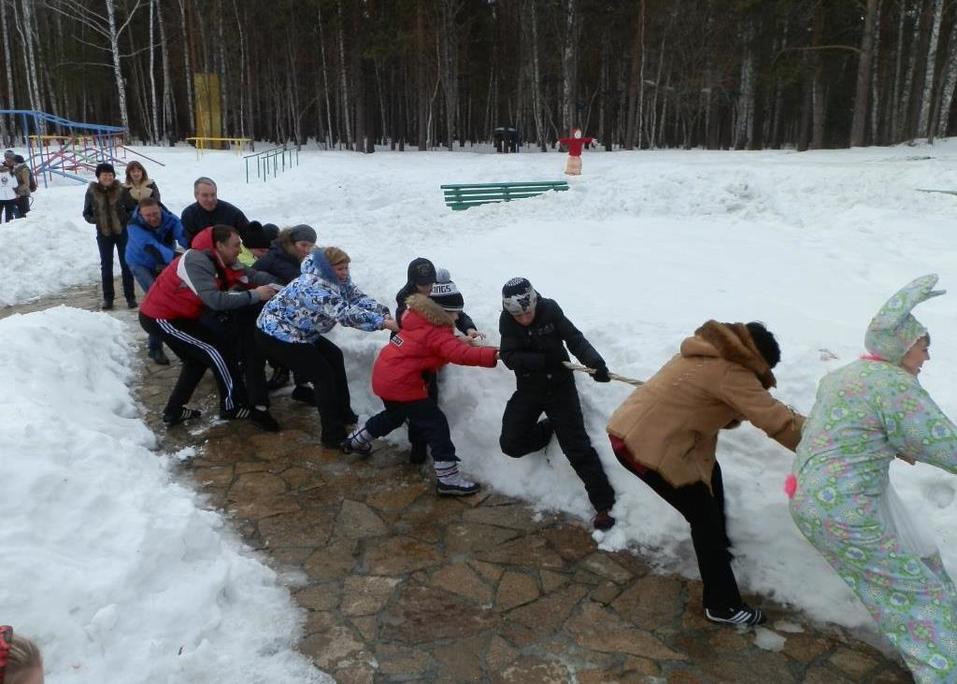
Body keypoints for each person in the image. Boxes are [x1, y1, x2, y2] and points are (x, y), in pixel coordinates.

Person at [790, 274, 957, 682]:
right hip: (848, 512)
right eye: (923, 346)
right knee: (918, 601)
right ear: (901, 346)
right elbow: (944, 444)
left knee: (922, 563)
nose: (927, 357)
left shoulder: (846, 376)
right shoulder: (893, 385)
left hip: (817, 499)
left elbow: (848, 428)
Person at [607, 319, 804, 626]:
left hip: (635, 432)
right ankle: (722, 604)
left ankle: (720, 551)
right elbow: (777, 420)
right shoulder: (732, 373)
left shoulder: (703, 352)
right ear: (756, 359)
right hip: (647, 449)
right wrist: (826, 441)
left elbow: (706, 402)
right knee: (704, 518)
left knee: (712, 478)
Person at [341, 281, 498, 496]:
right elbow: (458, 354)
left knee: (393, 417)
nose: (456, 318)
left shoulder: (419, 319)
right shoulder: (437, 332)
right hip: (402, 384)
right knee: (436, 423)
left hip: (385, 376)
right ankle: (448, 478)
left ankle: (355, 441)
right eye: (454, 314)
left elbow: (435, 343)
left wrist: (458, 340)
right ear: (442, 313)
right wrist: (494, 354)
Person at [497, 277, 618, 530]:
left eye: (527, 312)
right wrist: (539, 361)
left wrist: (595, 363)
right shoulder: (507, 320)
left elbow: (575, 339)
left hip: (560, 389)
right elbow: (508, 356)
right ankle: (547, 429)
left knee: (576, 447)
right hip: (529, 388)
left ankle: (603, 504)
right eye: (518, 315)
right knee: (510, 443)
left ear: (534, 302)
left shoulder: (549, 309)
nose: (524, 318)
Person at [139, 224, 279, 429]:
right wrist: (256, 295)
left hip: (182, 315)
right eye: (236, 245)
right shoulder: (196, 260)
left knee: (196, 361)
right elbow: (215, 300)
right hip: (162, 317)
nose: (240, 250)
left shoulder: (225, 259)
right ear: (220, 245)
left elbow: (250, 276)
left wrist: (280, 285)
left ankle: (174, 410)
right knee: (217, 350)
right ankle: (231, 406)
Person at [256, 246, 398, 446]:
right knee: (322, 375)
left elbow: (355, 297)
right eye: (340, 269)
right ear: (327, 268)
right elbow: (345, 313)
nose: (345, 273)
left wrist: (382, 312)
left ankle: (344, 413)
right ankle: (332, 435)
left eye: (346, 268)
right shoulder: (313, 286)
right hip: (276, 333)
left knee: (334, 356)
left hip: (302, 331)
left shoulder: (337, 279)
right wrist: (383, 323)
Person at [394, 258, 485, 463]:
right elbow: (420, 331)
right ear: (412, 281)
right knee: (419, 401)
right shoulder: (406, 299)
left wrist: (468, 327)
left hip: (431, 353)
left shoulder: (435, 291)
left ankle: (421, 442)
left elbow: (455, 311)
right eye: (422, 284)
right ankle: (418, 447)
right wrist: (455, 340)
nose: (427, 288)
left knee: (429, 400)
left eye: (430, 283)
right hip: (411, 356)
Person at [253, 224, 318, 395]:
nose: (307, 249)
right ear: (291, 242)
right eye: (303, 245)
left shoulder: (292, 256)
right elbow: (299, 282)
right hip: (262, 308)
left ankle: (298, 381)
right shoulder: (277, 258)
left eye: (310, 246)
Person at [125, 197, 189, 365]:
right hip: (140, 263)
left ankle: (183, 342)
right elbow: (153, 248)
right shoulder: (134, 226)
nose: (153, 218)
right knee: (157, 301)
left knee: (175, 297)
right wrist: (180, 258)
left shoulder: (170, 218)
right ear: (141, 214)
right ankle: (155, 348)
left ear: (160, 209)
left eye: (155, 214)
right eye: (148, 216)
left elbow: (183, 235)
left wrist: (196, 249)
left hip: (162, 262)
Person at [82, 162, 137, 310]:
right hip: (103, 233)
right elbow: (86, 213)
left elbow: (133, 209)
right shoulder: (92, 192)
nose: (108, 177)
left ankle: (130, 297)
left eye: (110, 175)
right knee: (106, 265)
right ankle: (108, 298)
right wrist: (96, 220)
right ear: (99, 177)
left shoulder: (121, 190)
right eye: (105, 175)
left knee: (126, 264)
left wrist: (125, 218)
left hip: (122, 232)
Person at [180, 176, 250, 245]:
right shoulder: (188, 215)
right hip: (201, 253)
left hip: (230, 253)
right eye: (205, 195)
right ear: (196, 196)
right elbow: (189, 244)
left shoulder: (232, 212)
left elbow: (249, 235)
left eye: (213, 195)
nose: (210, 199)